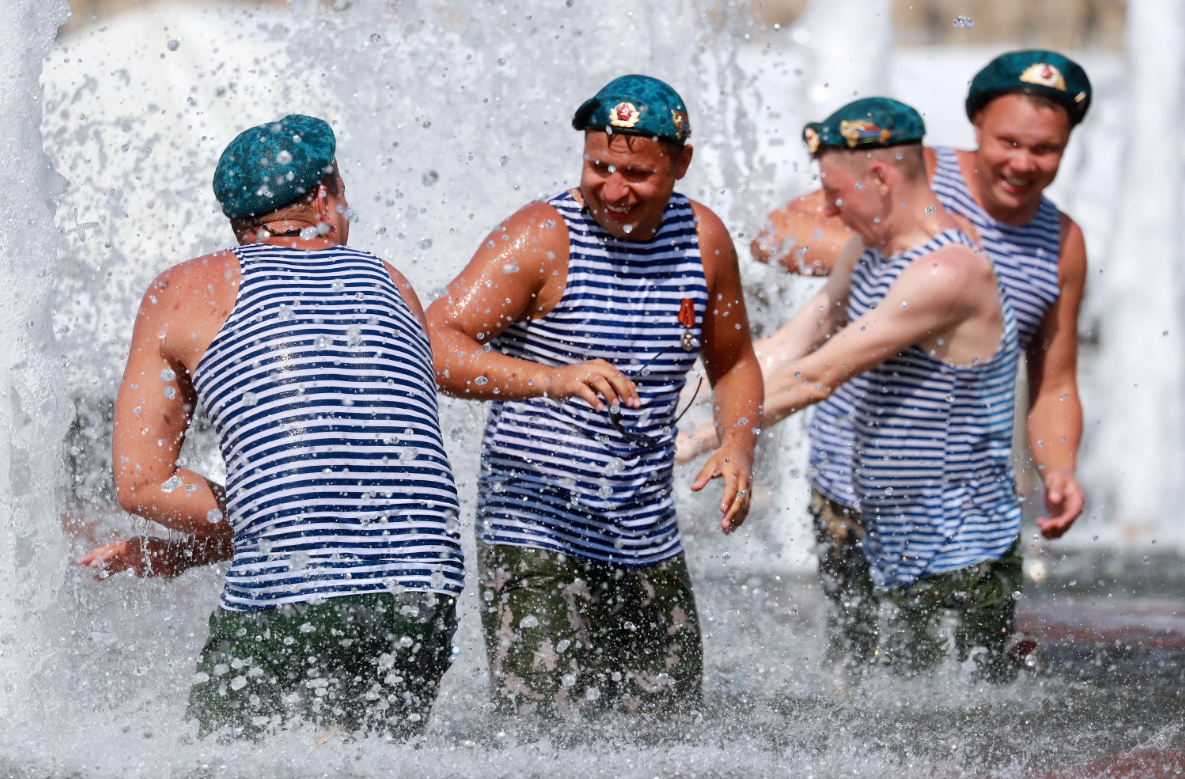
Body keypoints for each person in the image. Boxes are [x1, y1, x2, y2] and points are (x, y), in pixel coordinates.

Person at [684, 51, 1091, 668]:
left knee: (939, 708)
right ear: (976, 124)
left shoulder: (1011, 253)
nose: (1022, 162)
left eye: (1045, 149)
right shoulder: (896, 194)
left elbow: (1054, 378)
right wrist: (674, 417)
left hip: (950, 521)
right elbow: (778, 276)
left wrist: (1057, 467)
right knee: (860, 680)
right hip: (851, 496)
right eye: (1009, 140)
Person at [75, 115, 464, 739]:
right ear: (321, 197)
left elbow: (141, 485)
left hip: (287, 596)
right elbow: (364, 478)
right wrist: (194, 555)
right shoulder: (392, 283)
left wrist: (195, 547)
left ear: (236, 219)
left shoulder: (183, 291)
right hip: (424, 586)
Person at [426, 75, 763, 720]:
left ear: (681, 163)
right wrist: (551, 378)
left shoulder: (704, 240)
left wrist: (738, 445)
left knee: (672, 736)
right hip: (534, 530)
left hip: (644, 534)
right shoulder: (541, 237)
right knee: (543, 741)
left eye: (635, 174)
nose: (612, 190)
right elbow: (433, 343)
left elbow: (735, 361)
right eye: (598, 166)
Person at [747, 97, 1025, 679]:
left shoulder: (948, 271)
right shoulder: (869, 250)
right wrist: (669, 397)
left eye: (833, 191)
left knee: (954, 738)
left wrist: (705, 437)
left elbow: (815, 375)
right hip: (884, 536)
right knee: (868, 706)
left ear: (878, 176)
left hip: (952, 557)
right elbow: (784, 350)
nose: (824, 208)